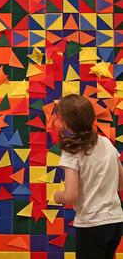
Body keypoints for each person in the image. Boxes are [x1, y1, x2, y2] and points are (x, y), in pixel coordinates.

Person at [52, 94, 123, 259]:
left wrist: (57, 196)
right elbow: (121, 183)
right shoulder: (106, 142)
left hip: (92, 224)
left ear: (66, 122)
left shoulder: (71, 151)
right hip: (115, 221)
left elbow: (70, 196)